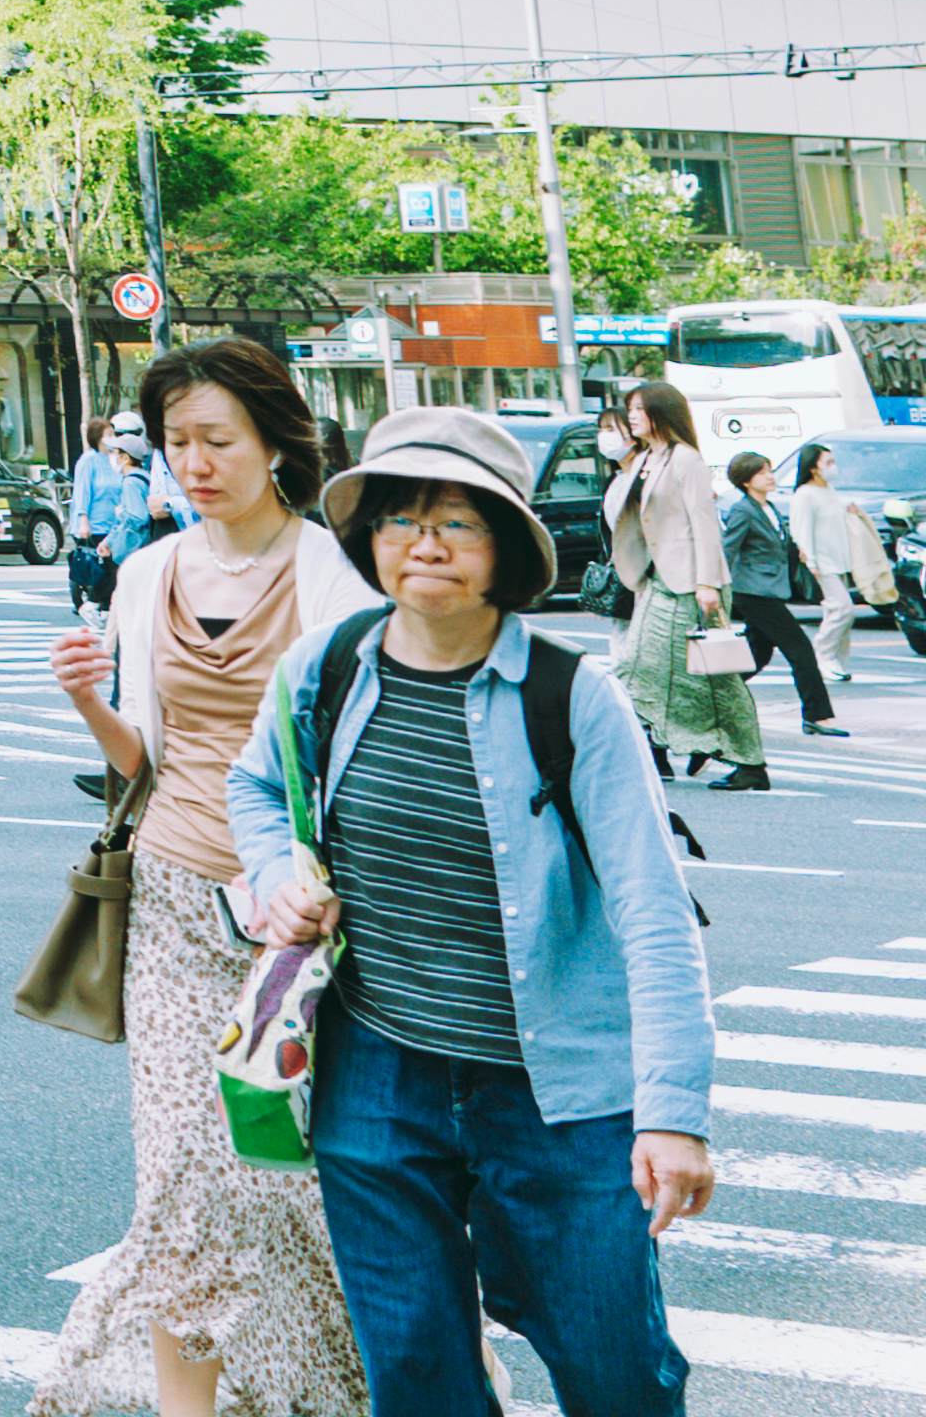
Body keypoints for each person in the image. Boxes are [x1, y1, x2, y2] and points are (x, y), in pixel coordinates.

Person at [233, 406, 718, 1417]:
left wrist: (673, 1112)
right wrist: (275, 875)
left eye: (460, 521)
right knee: (414, 1371)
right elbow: (258, 791)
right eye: (402, 517)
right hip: (376, 1071)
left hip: (559, 1092)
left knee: (612, 1364)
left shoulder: (572, 696)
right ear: (369, 539)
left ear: (503, 549)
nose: (427, 543)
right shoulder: (324, 669)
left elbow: (652, 908)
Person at [25, 338, 364, 1417]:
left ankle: (357, 1379)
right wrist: (87, 700)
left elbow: (356, 761)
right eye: (177, 443)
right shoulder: (146, 573)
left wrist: (315, 891)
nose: (196, 462)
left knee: (292, 1186)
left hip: (300, 922)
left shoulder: (334, 578)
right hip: (172, 898)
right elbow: (146, 762)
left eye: (217, 439)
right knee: (178, 1170)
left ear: (275, 441)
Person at [596, 381, 765, 790]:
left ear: (661, 412)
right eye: (629, 409)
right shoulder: (648, 459)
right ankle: (683, 744)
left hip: (692, 582)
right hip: (656, 580)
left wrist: (706, 582)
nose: (631, 416)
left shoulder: (686, 460)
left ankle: (749, 762)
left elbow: (703, 523)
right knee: (640, 668)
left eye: (638, 409)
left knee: (714, 675)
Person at [716, 448, 841, 742]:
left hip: (770, 589)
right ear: (746, 480)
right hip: (754, 592)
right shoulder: (743, 511)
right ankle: (815, 716)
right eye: (762, 472)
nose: (770, 477)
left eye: (770, 470)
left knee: (755, 656)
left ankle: (710, 700)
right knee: (801, 650)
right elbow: (727, 550)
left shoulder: (769, 508)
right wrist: (716, 588)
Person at [785, 440, 895, 690]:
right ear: (814, 468)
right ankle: (822, 655)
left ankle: (837, 660)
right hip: (822, 564)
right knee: (842, 608)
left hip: (840, 562)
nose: (833, 467)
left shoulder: (829, 491)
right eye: (828, 462)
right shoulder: (805, 495)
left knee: (841, 612)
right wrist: (811, 561)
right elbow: (801, 531)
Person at [71, 414, 163, 610]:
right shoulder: (90, 461)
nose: (112, 451)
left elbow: (135, 515)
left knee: (113, 578)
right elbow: (82, 492)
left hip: (125, 539)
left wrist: (116, 533)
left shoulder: (131, 480)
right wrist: (83, 520)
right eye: (108, 435)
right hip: (103, 527)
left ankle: (98, 606)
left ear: (125, 457)